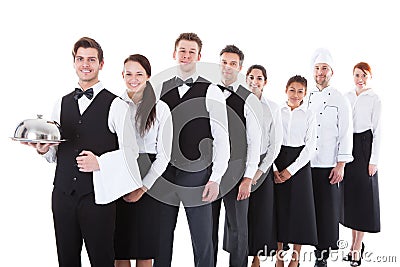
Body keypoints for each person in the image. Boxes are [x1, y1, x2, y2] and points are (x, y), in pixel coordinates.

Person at [22, 37, 141, 267]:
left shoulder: (116, 105)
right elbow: (53, 152)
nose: (85, 64)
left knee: (102, 260)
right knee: (66, 260)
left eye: (91, 59)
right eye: (80, 59)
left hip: (98, 197)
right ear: (74, 62)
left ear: (101, 64)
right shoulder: (61, 102)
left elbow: (132, 151)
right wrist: (43, 150)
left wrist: (101, 163)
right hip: (63, 195)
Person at [154, 32, 230, 267]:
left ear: (199, 55)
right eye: (182, 51)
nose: (186, 55)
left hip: (197, 174)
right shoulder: (160, 88)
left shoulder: (212, 90)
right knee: (160, 238)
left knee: (202, 238)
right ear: (174, 53)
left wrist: (216, 177)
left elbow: (222, 137)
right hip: (164, 173)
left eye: (191, 52)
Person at [114, 54, 173, 267]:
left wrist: (143, 187)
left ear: (148, 76)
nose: (134, 78)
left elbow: (165, 155)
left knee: (144, 249)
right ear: (122, 75)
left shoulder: (161, 108)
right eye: (128, 74)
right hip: (119, 175)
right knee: (119, 248)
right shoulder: (115, 105)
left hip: (150, 179)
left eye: (139, 74)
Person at [212, 45, 262, 267]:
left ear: (240, 68)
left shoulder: (248, 98)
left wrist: (248, 177)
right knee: (207, 228)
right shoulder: (208, 91)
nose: (227, 67)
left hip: (237, 172)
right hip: (210, 172)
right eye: (224, 62)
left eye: (233, 63)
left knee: (239, 228)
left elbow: (255, 140)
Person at [305, 48, 353, 267]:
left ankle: (322, 257)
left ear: (331, 71)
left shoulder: (340, 99)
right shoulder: (308, 96)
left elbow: (345, 133)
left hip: (328, 163)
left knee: (326, 211)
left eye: (324, 68)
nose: (320, 72)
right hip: (307, 163)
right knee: (309, 209)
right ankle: (305, 249)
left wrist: (341, 164)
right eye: (317, 68)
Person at [274, 75, 318, 267]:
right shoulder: (277, 111)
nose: (295, 94)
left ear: (305, 94)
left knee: (299, 211)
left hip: (299, 165)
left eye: (300, 91)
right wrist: (275, 168)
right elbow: (271, 140)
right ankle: (278, 258)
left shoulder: (309, 114)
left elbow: (310, 146)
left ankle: (295, 258)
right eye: (292, 89)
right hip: (278, 159)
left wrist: (290, 170)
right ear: (286, 90)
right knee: (278, 209)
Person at [340, 62, 381, 267]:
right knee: (352, 199)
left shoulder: (374, 98)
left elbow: (378, 130)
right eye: (357, 74)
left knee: (364, 200)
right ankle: (353, 244)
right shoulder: (346, 96)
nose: (360, 78)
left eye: (364, 75)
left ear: (369, 77)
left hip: (365, 146)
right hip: (349, 147)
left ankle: (357, 247)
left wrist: (373, 160)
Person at [245, 64, 283, 267]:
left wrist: (259, 172)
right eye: (251, 77)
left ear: (265, 82)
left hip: (263, 166)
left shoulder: (273, 108)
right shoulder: (239, 103)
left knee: (262, 212)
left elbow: (275, 144)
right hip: (240, 167)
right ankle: (243, 255)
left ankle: (257, 258)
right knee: (243, 214)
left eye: (259, 78)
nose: (254, 81)